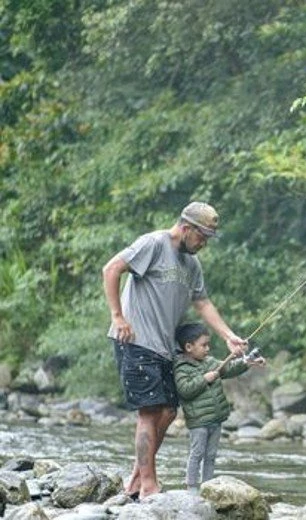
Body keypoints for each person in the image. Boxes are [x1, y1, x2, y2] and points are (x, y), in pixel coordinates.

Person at [102, 201, 247, 499]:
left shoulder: (192, 265)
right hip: (135, 341)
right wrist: (118, 316)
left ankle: (135, 479)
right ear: (185, 228)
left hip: (165, 348)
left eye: (208, 238)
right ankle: (149, 487)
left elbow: (203, 303)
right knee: (150, 411)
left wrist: (229, 336)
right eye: (202, 236)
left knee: (168, 411)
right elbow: (112, 268)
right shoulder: (154, 244)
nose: (204, 243)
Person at [174, 322, 265, 493]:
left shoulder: (210, 362)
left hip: (216, 419)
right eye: (204, 345)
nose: (208, 348)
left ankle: (207, 486)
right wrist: (204, 379)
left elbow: (229, 367)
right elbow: (184, 390)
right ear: (188, 347)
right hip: (199, 422)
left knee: (211, 455)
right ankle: (191, 487)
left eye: (208, 344)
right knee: (197, 454)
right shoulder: (181, 368)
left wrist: (248, 361)